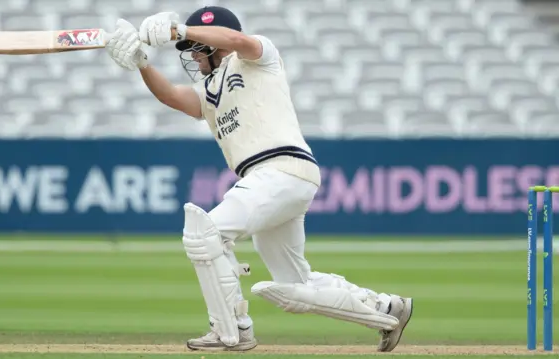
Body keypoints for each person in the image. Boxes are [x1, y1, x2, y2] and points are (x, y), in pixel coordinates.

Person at [105, 5, 413, 353]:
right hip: (276, 181)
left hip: (280, 169)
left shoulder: (257, 56)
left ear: (212, 44)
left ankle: (231, 329)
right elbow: (171, 96)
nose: (192, 56)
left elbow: (236, 39)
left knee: (204, 233)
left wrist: (181, 31)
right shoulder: (208, 90)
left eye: (196, 49)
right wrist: (141, 61)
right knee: (295, 286)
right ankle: (387, 308)